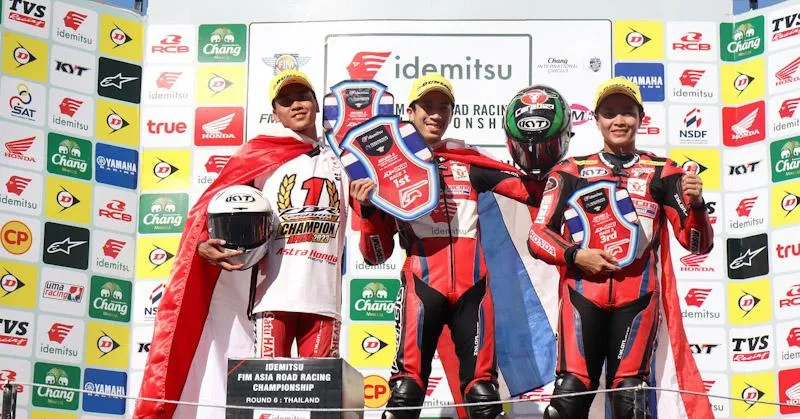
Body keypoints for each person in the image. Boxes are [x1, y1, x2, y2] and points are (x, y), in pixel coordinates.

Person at [135, 70, 374, 418]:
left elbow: (371, 225)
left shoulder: (343, 158)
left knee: (323, 407)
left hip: (324, 300)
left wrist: (367, 206)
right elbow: (214, 210)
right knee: (266, 403)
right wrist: (202, 245)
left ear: (316, 104)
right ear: (275, 113)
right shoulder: (259, 155)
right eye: (286, 101)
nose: (296, 105)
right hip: (271, 298)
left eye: (303, 97)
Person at [350, 73, 545, 419]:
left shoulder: (467, 160)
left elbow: (533, 193)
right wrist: (366, 211)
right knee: (406, 391)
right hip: (422, 286)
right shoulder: (387, 168)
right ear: (410, 112)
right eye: (427, 106)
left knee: (483, 395)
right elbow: (374, 254)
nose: (436, 114)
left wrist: (545, 158)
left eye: (444, 107)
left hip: (474, 289)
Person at [527, 77, 714, 419]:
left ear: (641, 117)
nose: (619, 120)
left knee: (631, 400)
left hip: (637, 298)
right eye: (609, 113)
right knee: (568, 397)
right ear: (596, 119)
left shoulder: (663, 172)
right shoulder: (572, 171)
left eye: (627, 112)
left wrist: (698, 204)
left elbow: (696, 244)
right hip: (582, 296)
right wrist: (576, 256)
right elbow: (538, 235)